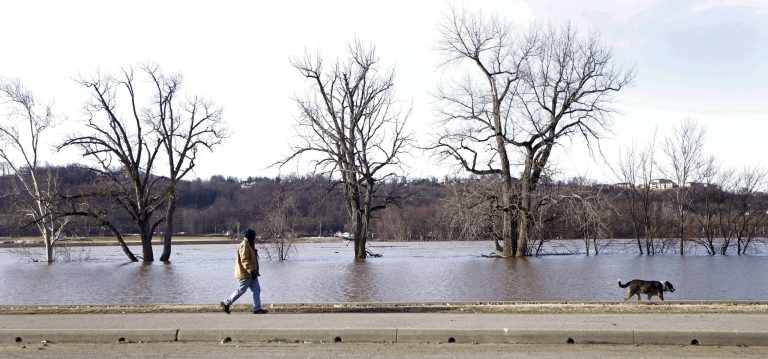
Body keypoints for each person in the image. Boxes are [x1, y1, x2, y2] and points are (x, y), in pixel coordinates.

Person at [220, 228, 268, 314]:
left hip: (251, 274)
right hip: (246, 274)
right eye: (254, 236)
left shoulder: (249, 244)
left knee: (256, 290)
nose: (255, 238)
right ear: (250, 236)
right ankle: (226, 303)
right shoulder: (244, 245)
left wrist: (254, 272)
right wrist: (251, 271)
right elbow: (244, 260)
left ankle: (257, 308)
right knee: (241, 290)